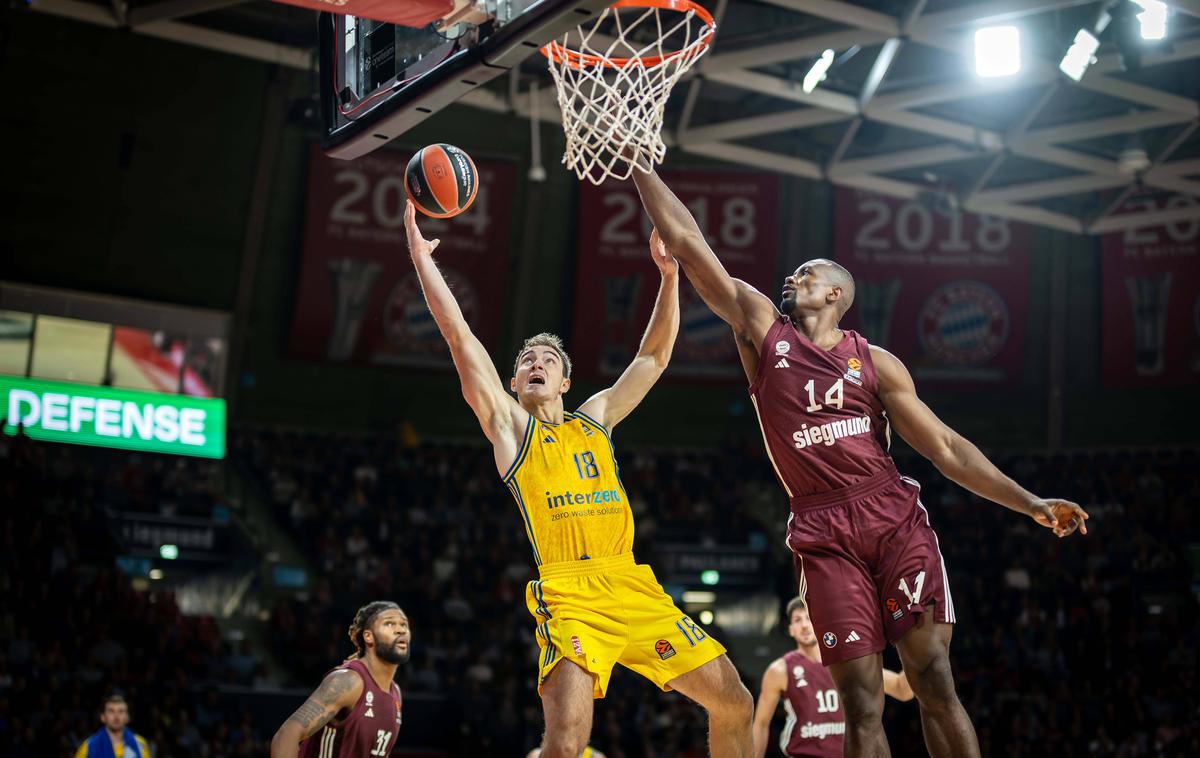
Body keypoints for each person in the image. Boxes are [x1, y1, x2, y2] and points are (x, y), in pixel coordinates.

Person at [629, 168, 1089, 758]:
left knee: (933, 679)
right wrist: (639, 162)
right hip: (821, 530)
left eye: (809, 274)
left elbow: (947, 450)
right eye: (795, 272)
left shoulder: (876, 362)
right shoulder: (763, 333)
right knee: (862, 704)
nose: (794, 276)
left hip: (891, 515)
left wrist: (1031, 503)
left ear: (835, 295)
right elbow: (692, 246)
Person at [404, 200, 753, 758]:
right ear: (516, 383)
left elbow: (654, 357)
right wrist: (423, 261)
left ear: (565, 380)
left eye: (546, 359)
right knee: (567, 743)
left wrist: (668, 277)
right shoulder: (511, 431)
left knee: (735, 702)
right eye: (525, 361)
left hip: (633, 586)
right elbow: (460, 338)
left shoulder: (595, 419)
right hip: (569, 594)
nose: (534, 363)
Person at [753, 597, 913, 757]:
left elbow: (902, 690)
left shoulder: (848, 664)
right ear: (791, 629)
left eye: (809, 618)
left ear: (820, 622)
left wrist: (911, 646)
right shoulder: (779, 670)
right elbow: (760, 724)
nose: (804, 625)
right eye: (797, 620)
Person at [271, 601, 410, 757]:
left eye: (404, 625)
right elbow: (286, 735)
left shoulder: (395, 693)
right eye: (389, 624)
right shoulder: (348, 681)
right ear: (368, 636)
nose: (400, 630)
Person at [74, 694, 152, 758]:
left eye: (121, 711)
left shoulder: (140, 744)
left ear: (127, 717)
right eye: (111, 711)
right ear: (103, 717)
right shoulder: (88, 747)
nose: (116, 716)